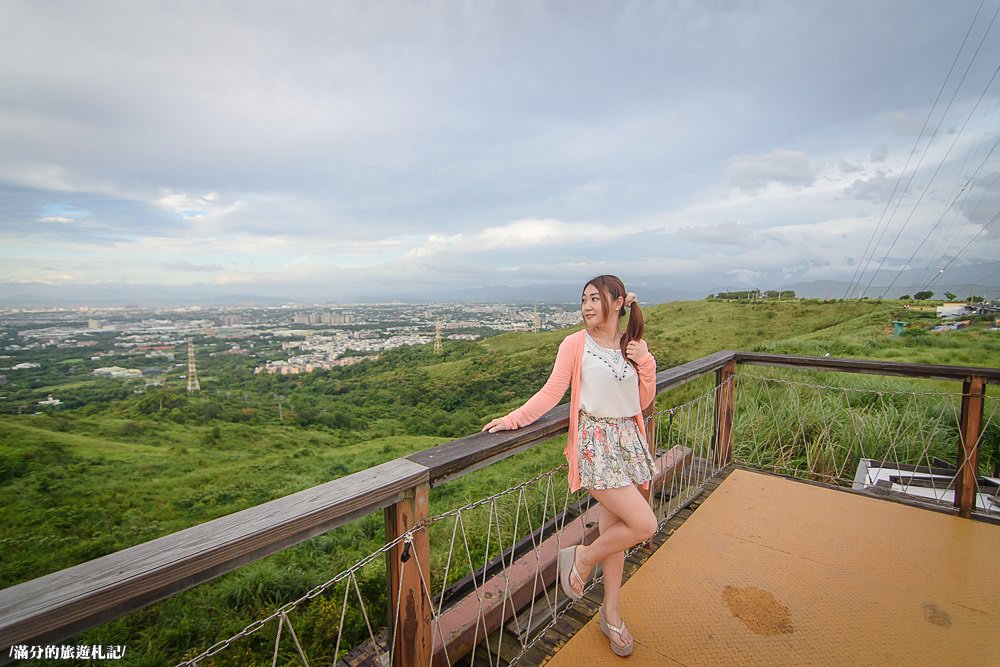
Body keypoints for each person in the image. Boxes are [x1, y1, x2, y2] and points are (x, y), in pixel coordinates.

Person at [482, 274, 657, 657]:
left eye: (595, 299)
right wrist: (512, 419)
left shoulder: (632, 346)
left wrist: (646, 362)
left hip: (628, 444)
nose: (587, 307)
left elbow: (643, 400)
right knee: (645, 525)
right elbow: (550, 393)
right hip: (595, 447)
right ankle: (582, 556)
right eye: (583, 301)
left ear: (617, 302)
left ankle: (610, 612)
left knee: (621, 531)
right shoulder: (574, 344)